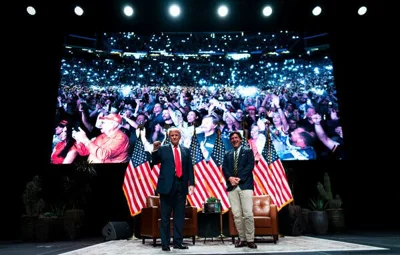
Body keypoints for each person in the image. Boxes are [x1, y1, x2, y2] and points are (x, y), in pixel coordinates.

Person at [151, 127, 195, 251]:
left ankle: (178, 242)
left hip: (181, 186)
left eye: (176, 135)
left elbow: (189, 169)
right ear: (169, 137)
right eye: (172, 135)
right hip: (167, 187)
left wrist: (191, 184)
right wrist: (155, 149)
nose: (174, 137)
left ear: (179, 137)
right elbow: (154, 161)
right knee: (165, 217)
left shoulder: (186, 151)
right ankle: (165, 244)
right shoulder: (163, 149)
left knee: (179, 217)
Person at [222, 131, 257, 249]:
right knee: (236, 215)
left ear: (240, 139)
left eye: (236, 137)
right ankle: (242, 239)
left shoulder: (247, 151)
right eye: (232, 138)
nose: (234, 140)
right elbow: (224, 168)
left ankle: (250, 239)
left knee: (248, 214)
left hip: (245, 186)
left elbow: (250, 166)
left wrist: (239, 179)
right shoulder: (227, 154)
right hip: (232, 187)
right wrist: (230, 178)